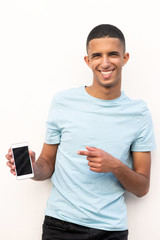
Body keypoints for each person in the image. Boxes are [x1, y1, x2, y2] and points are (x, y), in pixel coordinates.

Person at [6, 24, 156, 240]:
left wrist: (114, 166)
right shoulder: (63, 102)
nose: (105, 63)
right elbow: (47, 165)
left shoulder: (139, 113)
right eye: (97, 56)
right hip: (60, 227)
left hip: (111, 231)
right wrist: (32, 168)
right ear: (88, 61)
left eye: (113, 54)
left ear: (125, 58)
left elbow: (142, 188)